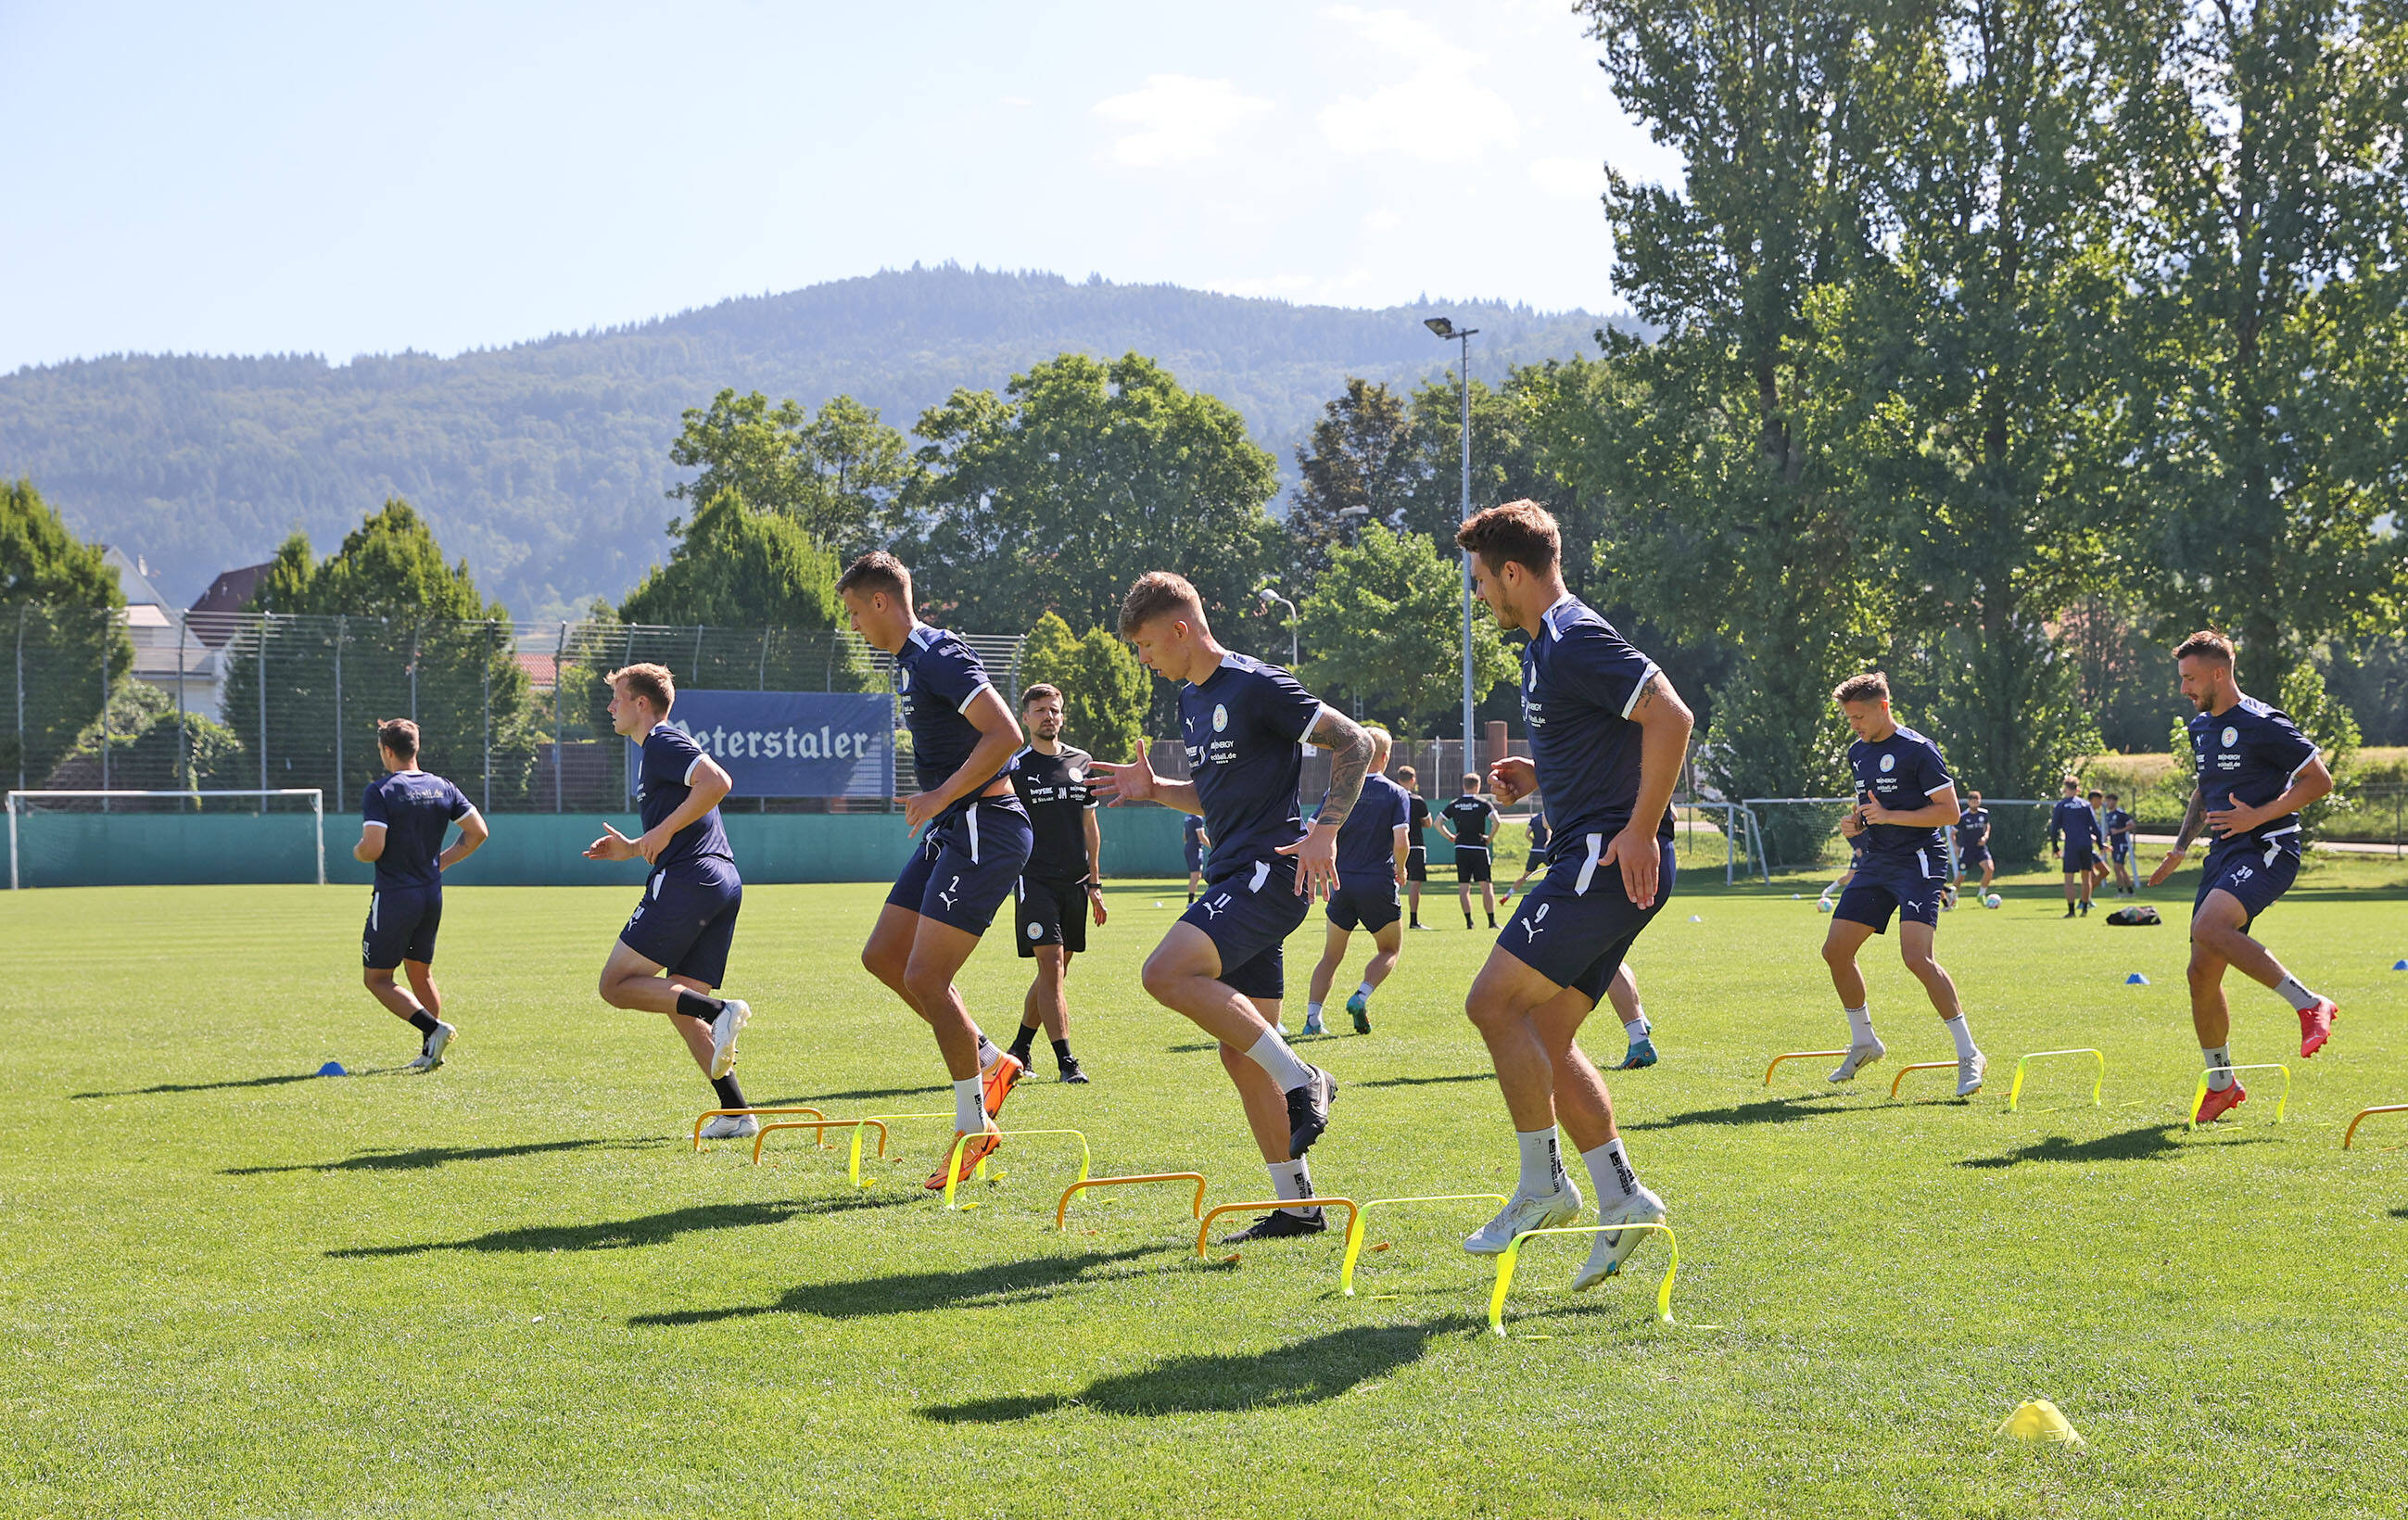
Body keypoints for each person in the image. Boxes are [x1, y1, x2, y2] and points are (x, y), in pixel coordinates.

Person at [1092, 571, 1371, 1243]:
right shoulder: (1192, 699)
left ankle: (1306, 1077)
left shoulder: (1258, 685)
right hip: (1231, 875)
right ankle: (1299, 1207)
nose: (1144, 661)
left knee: (1164, 973)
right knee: (1241, 1056)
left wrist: (1325, 830)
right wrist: (1157, 788)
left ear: (1181, 630)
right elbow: (1216, 797)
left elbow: (1354, 743)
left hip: (1264, 876)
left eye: (1148, 647)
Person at [1453, 500, 1685, 1292]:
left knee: (1492, 1006)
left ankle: (1542, 1186)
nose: (1482, 595)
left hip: (1598, 859)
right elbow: (1609, 741)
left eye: (1483, 581)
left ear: (1514, 572)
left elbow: (1671, 715)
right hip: (1590, 852)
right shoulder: (1544, 648)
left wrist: (1643, 828)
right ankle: (1624, 1198)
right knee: (1546, 1037)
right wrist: (1540, 775)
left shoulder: (1574, 635)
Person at [838, 552, 1033, 1190]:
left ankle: (973, 1126)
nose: (854, 627)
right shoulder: (905, 664)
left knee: (926, 974)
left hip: (986, 825)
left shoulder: (936, 653)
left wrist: (941, 794)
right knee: (884, 955)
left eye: (854, 614)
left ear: (881, 602)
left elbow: (1005, 735)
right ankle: (988, 1059)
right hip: (955, 826)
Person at [2147, 630, 2339, 1123]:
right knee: (2200, 973)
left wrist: (2260, 816)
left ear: (2218, 673)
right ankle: (2223, 1083)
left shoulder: (2263, 721)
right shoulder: (2201, 727)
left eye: (2190, 679)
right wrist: (2179, 847)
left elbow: (2319, 780)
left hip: (2271, 846)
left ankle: (2310, 1004)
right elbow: (2205, 789)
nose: (2184, 689)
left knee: (2209, 929)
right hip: (2223, 855)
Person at [583, 665, 757, 1137]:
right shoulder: (654, 752)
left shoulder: (661, 740)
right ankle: (737, 1114)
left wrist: (658, 832)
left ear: (642, 703)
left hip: (689, 880)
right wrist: (634, 847)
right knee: (680, 1000)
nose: (610, 707)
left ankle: (721, 1011)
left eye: (618, 697)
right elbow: (682, 825)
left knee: (616, 985)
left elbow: (717, 782)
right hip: (719, 879)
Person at [1819, 671, 1986, 1096]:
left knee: (1916, 958)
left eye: (1859, 716)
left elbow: (1949, 813)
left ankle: (1969, 1053)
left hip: (1919, 861)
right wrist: (1855, 825)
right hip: (1878, 861)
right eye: (1848, 717)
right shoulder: (1857, 752)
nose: (1853, 724)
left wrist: (1891, 817)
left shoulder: (1918, 750)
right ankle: (1864, 1042)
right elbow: (1872, 808)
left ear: (1883, 707)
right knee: (1835, 951)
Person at [352, 718, 488, 1071]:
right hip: (431, 894)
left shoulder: (381, 791)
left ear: (387, 750)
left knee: (377, 979)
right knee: (420, 972)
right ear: (416, 748)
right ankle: (432, 1052)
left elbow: (374, 846)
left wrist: (359, 852)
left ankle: (434, 1029)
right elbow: (478, 833)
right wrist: (439, 863)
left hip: (396, 895)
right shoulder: (443, 787)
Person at [1004, 684, 1105, 1084]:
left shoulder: (1082, 762)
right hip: (1034, 881)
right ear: (1025, 717)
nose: (1050, 716)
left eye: (1055, 710)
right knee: (1052, 964)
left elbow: (1090, 825)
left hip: (1076, 883)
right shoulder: (1015, 766)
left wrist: (1095, 882)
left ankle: (1019, 1049)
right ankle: (1067, 1063)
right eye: (1041, 710)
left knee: (1055, 974)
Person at [1302, 726, 1412, 1036]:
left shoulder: (1338, 790)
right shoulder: (1396, 793)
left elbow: (1312, 831)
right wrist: (1401, 869)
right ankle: (1360, 996)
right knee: (1389, 949)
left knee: (1331, 956)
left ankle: (1313, 1019)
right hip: (1377, 881)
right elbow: (1401, 841)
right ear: (1386, 757)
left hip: (1340, 882)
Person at [1444, 774, 1502, 930]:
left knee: (1464, 886)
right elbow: (1497, 821)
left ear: (1464, 786)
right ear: (1477, 786)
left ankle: (1469, 922)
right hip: (1478, 847)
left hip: (1461, 848)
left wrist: (1450, 837)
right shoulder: (1482, 803)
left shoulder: (1455, 804)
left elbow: (1438, 822)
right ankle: (1491, 922)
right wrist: (1489, 837)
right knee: (1486, 885)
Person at [2049, 777, 2106, 917]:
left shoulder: (2061, 805)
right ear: (2077, 789)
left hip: (2071, 846)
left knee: (2069, 879)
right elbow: (2095, 827)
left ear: (2066, 789)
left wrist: (2055, 847)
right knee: (2086, 877)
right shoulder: (2086, 805)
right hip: (2086, 845)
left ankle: (2071, 911)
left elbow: (2054, 829)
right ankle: (2085, 909)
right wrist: (2099, 844)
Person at [1398, 765, 1435, 930]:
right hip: (1416, 846)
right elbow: (1428, 823)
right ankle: (1413, 921)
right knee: (1414, 884)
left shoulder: (1393, 798)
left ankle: (1390, 919)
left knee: (1393, 883)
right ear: (1413, 780)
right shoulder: (1417, 800)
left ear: (1399, 780)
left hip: (1395, 846)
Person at [1502, 804, 1551, 901]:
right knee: (1556, 873)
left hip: (1534, 851)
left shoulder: (1534, 819)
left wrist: (1534, 842)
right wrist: (1548, 841)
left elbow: (1527, 834)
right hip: (1545, 852)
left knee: (1525, 876)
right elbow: (1548, 831)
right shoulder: (1548, 818)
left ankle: (1507, 896)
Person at [1954, 791, 1996, 896]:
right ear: (1969, 802)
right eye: (1973, 802)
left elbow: (1987, 826)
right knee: (1962, 875)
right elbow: (1952, 833)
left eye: (1977, 801)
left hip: (1980, 849)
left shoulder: (1984, 814)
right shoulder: (1963, 817)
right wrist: (1955, 847)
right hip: (1967, 850)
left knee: (1989, 869)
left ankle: (1981, 895)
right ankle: (1953, 899)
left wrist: (1985, 836)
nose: (1975, 804)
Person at [2103, 791, 2136, 895]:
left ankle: (2120, 892)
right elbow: (2111, 829)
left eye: (2108, 801)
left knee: (2117, 867)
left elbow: (2132, 825)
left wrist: (2118, 831)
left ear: (2114, 801)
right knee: (2120, 868)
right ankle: (2130, 891)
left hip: (2121, 843)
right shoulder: (2108, 815)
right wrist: (2107, 834)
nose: (2107, 803)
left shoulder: (2120, 814)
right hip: (2114, 844)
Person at [1183, 813, 1209, 905]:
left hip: (1188, 848)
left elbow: (1185, 837)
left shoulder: (1187, 817)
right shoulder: (1198, 818)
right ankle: (1190, 902)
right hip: (1195, 849)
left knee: (1196, 876)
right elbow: (1201, 836)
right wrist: (1213, 846)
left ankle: (1191, 901)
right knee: (1195, 876)